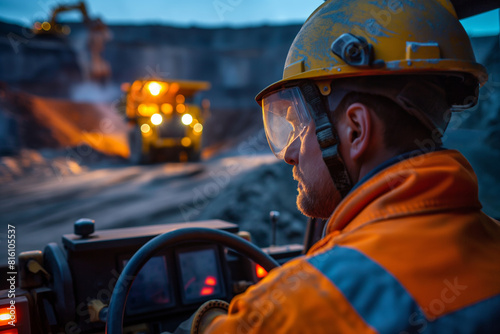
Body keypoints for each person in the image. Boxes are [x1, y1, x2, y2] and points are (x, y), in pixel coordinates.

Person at [202, 1, 500, 333]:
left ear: (355, 130)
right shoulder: (492, 236)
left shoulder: (302, 304)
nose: (289, 153)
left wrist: (204, 318)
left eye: (299, 126)